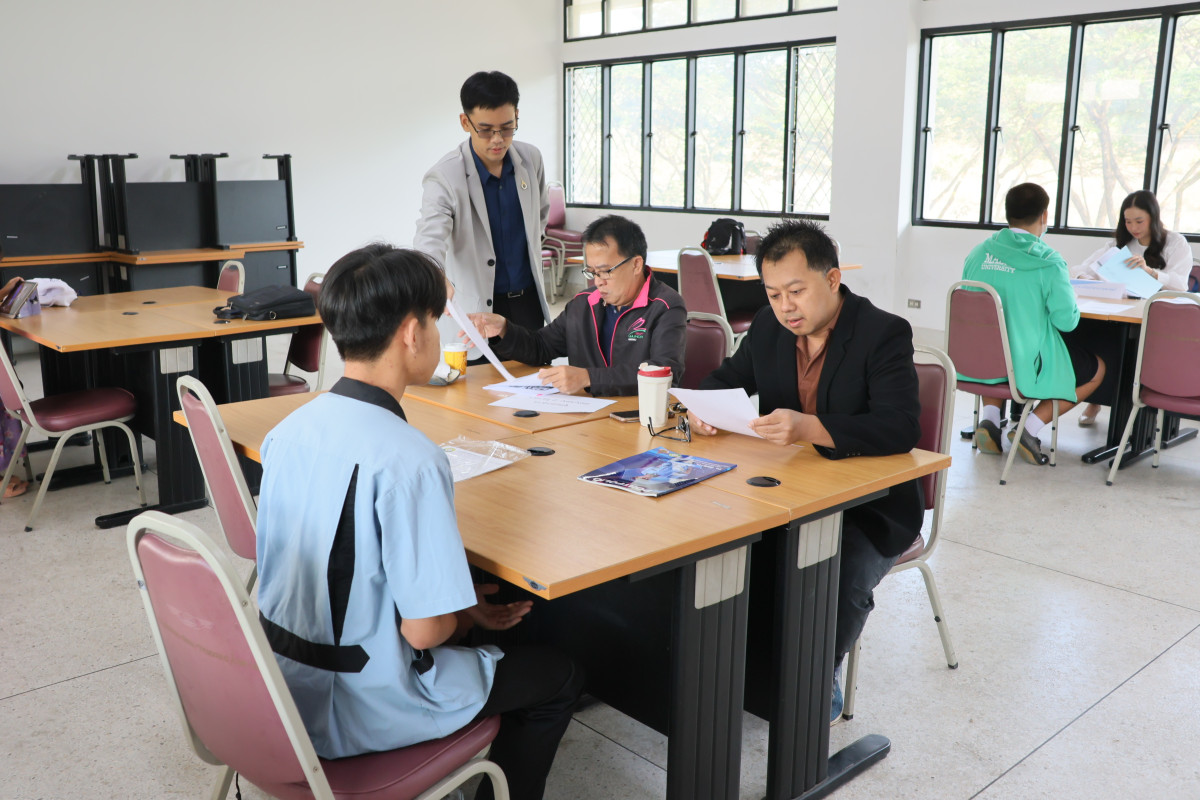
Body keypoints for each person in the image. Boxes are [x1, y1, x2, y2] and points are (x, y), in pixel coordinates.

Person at [255, 244, 583, 800]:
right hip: (359, 701)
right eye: (434, 321)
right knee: (560, 675)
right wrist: (454, 616)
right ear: (412, 333)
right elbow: (425, 633)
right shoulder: (411, 459)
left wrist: (460, 604)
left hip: (280, 687)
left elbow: (337, 564)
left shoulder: (289, 431)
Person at [692, 219, 924, 724]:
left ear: (833, 279)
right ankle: (751, 671)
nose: (785, 307)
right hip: (787, 491)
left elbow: (900, 426)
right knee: (726, 551)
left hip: (871, 506)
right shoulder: (769, 328)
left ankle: (819, 678)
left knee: (836, 575)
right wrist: (701, 408)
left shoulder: (883, 333)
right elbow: (726, 379)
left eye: (796, 291)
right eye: (773, 294)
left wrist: (811, 428)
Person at [464, 215, 686, 396]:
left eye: (605, 271)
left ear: (636, 264)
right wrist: (503, 329)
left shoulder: (665, 306)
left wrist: (588, 377)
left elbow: (663, 373)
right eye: (592, 272)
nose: (598, 282)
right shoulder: (584, 303)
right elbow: (541, 347)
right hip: (586, 417)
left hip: (638, 417)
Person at [963, 182, 1106, 462]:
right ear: (1044, 215)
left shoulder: (977, 253)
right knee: (1097, 369)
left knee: (997, 346)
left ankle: (990, 419)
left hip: (981, 358)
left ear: (1008, 213)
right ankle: (1028, 429)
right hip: (1026, 362)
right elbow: (1066, 322)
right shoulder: (1049, 262)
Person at [414, 70, 550, 354]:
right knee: (478, 381)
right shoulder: (445, 176)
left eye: (507, 128)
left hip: (528, 305)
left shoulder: (531, 159)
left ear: (517, 117)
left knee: (534, 378)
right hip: (476, 311)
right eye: (486, 130)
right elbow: (430, 237)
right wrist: (434, 273)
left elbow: (540, 215)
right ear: (465, 122)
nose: (497, 139)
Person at [1071, 190, 1190, 425]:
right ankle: (1096, 398)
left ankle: (1131, 409)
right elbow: (1080, 269)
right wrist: (1088, 277)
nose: (1133, 227)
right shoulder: (1119, 244)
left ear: (1153, 218)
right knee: (1097, 335)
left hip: (1158, 316)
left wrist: (1150, 271)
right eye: (1128, 221)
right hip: (1123, 312)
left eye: (1139, 221)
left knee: (1128, 345)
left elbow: (1180, 285)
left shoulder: (1175, 243)